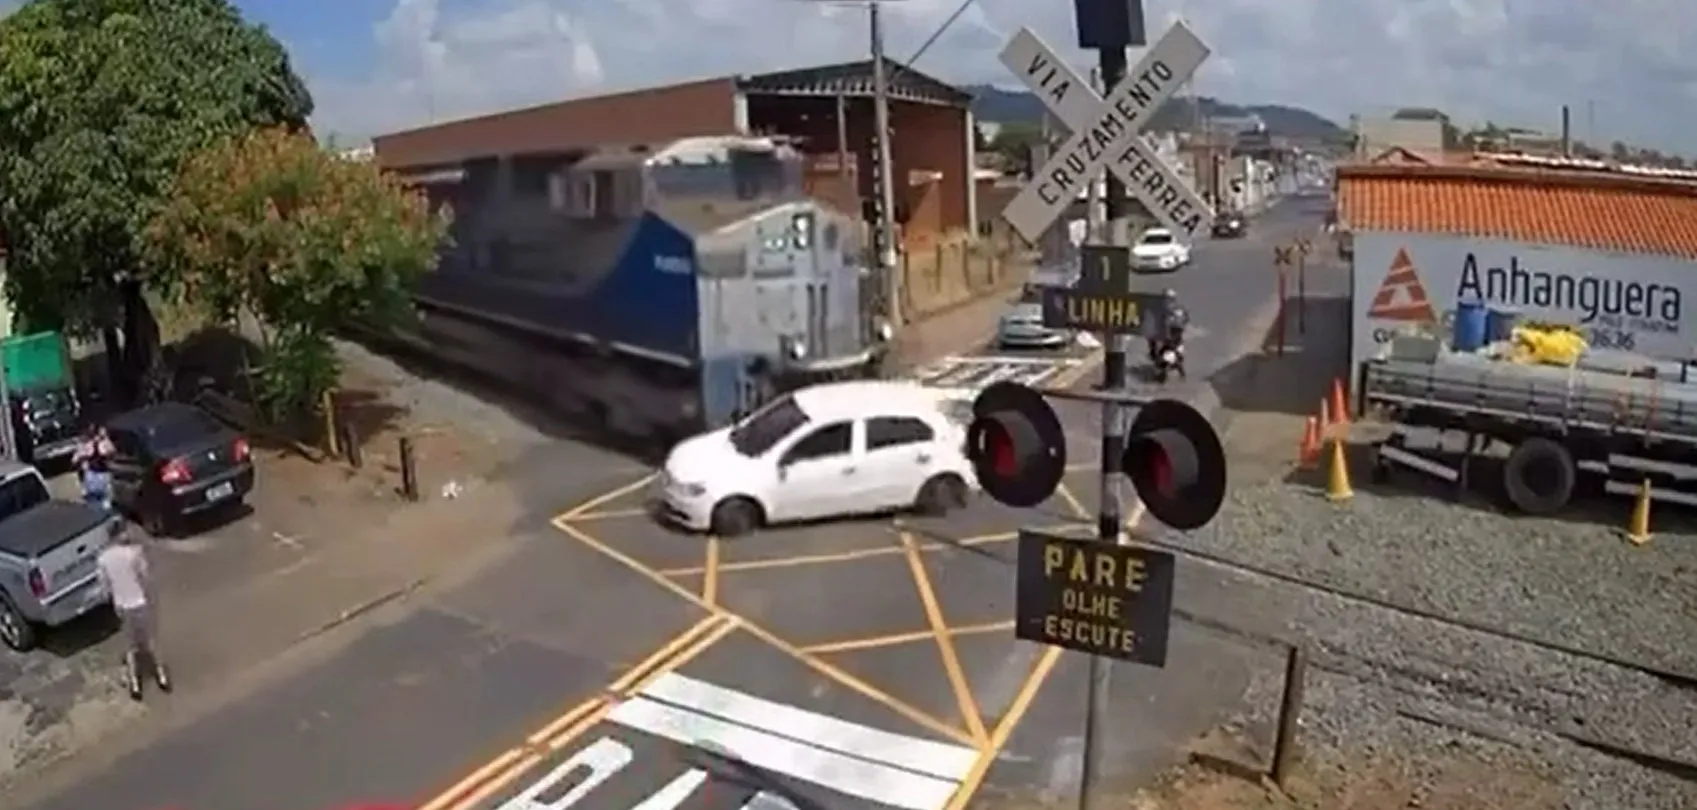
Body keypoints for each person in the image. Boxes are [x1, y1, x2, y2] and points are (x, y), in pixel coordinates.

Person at [95, 520, 171, 700]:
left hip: (121, 606)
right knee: (151, 641)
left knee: (130, 647)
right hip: (139, 602)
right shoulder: (134, 553)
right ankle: (161, 675)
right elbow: (145, 576)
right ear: (121, 534)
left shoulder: (103, 559)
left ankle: (135, 683)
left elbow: (104, 588)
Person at [73, 424, 115, 511]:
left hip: (98, 475)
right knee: (101, 502)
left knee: (99, 502)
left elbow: (75, 460)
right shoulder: (93, 444)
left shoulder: (93, 444)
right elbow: (110, 453)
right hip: (96, 475)